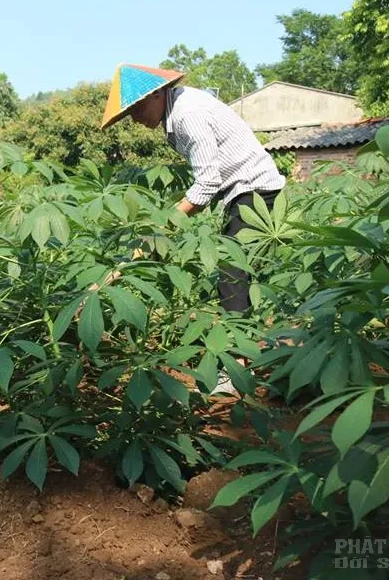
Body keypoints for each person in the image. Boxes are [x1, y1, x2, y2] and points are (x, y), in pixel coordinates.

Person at [101, 64, 286, 395]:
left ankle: (236, 369)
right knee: (238, 273)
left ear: (156, 94)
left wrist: (165, 225)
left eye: (136, 108)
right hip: (243, 191)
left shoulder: (188, 114)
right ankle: (258, 357)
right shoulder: (177, 113)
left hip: (255, 190)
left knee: (232, 274)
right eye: (129, 113)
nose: (135, 119)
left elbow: (207, 182)